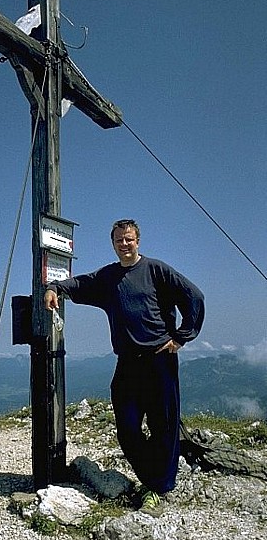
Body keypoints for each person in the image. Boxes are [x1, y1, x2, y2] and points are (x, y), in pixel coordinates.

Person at [44, 218, 204, 516]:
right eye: (119, 240)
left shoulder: (156, 270)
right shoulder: (109, 277)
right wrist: (54, 287)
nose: (124, 244)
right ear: (113, 243)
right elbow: (80, 283)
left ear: (137, 240)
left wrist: (182, 336)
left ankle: (159, 487)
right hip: (128, 363)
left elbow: (194, 296)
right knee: (128, 429)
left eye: (129, 239)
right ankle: (152, 479)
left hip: (160, 360)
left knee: (164, 427)